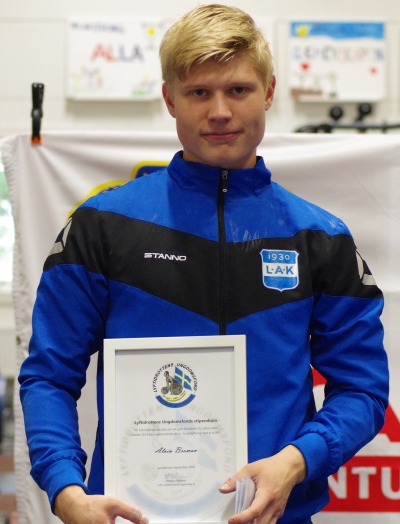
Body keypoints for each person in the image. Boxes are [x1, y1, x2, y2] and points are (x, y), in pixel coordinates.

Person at [19, 4, 389, 524]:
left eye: (238, 89)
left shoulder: (320, 237)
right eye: (198, 93)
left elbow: (362, 389)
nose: (219, 111)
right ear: (170, 98)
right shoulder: (102, 225)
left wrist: (296, 461)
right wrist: (65, 491)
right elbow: (49, 376)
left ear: (269, 91)